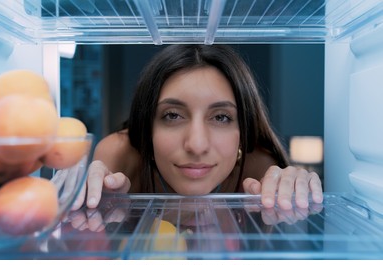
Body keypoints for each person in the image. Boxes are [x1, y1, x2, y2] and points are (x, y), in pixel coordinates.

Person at [73, 44, 323, 211]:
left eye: (221, 117)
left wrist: (294, 191)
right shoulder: (120, 155)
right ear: (148, 126)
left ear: (243, 131)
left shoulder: (256, 167)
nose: (197, 144)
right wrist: (84, 200)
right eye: (172, 115)